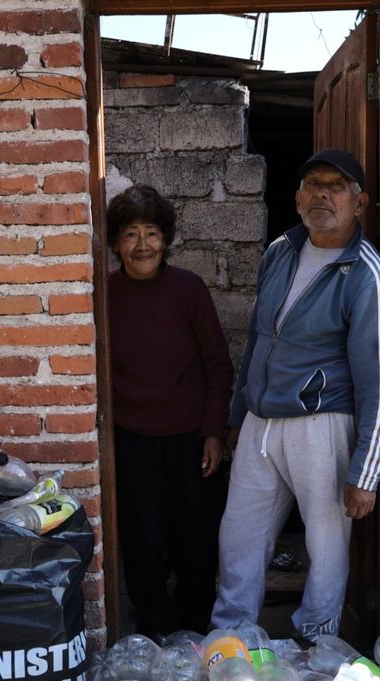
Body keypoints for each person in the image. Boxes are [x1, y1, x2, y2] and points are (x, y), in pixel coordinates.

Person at [211, 149, 380, 643]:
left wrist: (366, 471)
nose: (321, 194)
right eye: (312, 184)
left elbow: (378, 379)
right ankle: (231, 640)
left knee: (326, 545)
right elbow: (254, 340)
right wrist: (236, 414)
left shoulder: (366, 274)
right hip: (259, 423)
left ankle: (317, 643)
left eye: (335, 186)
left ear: (360, 203)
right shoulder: (281, 251)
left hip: (323, 425)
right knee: (240, 538)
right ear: (296, 200)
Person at [106, 183, 234, 638]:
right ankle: (153, 638)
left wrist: (213, 432)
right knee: (142, 544)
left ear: (167, 239)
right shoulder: (104, 296)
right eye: (131, 234)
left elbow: (219, 365)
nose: (142, 245)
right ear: (116, 242)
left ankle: (195, 639)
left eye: (152, 233)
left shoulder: (188, 290)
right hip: (131, 442)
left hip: (190, 442)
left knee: (196, 545)